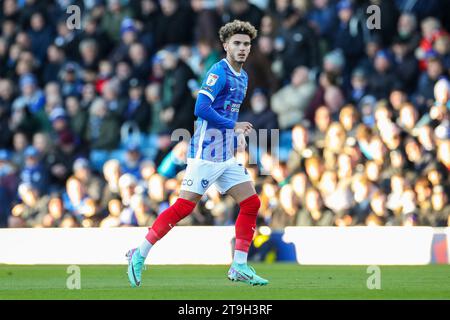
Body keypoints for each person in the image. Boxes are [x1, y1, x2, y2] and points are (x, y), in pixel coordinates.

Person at [126, 20, 269, 287]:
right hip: (204, 154)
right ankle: (139, 253)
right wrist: (233, 126)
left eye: (246, 44)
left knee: (251, 203)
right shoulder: (219, 72)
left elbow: (225, 110)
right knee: (183, 208)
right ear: (226, 45)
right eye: (236, 43)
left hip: (225, 155)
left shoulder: (244, 76)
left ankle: (239, 264)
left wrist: (232, 134)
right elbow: (201, 108)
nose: (241, 48)